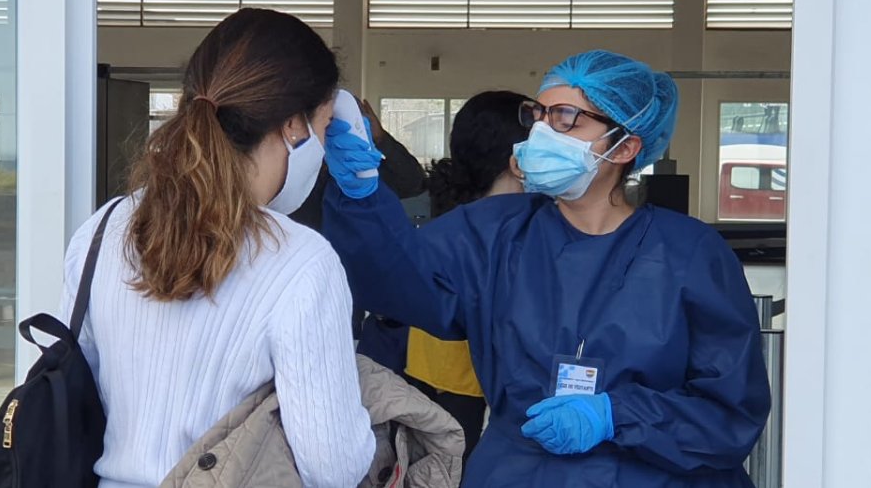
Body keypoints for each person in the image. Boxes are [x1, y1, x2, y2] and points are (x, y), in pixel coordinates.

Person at [322, 50, 771, 487]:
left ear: (625, 146)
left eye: (565, 118)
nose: (540, 131)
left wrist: (616, 415)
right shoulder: (496, 234)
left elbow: (731, 411)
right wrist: (361, 196)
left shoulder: (690, 253)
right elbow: (398, 282)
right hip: (522, 469)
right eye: (537, 114)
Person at [61, 9, 374, 488]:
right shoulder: (302, 261)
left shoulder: (102, 230)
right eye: (326, 125)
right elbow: (333, 467)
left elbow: (75, 394)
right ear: (293, 126)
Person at [405, 90, 529, 468]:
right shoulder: (524, 226)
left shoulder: (447, 225)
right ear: (518, 158)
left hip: (428, 373)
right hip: (469, 387)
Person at [289, 97, 427, 341]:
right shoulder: (292, 165)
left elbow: (412, 182)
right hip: (295, 284)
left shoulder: (358, 162)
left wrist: (380, 137)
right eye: (327, 120)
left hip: (346, 286)